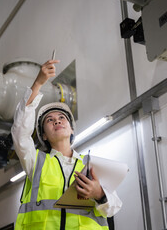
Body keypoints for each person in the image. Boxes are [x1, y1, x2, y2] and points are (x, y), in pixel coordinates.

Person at [11, 58, 122, 230]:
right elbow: (19, 132)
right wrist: (38, 83)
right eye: (50, 120)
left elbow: (114, 207)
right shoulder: (36, 162)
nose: (57, 121)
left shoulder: (91, 166)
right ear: (44, 136)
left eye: (62, 118)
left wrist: (98, 193)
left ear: (71, 130)